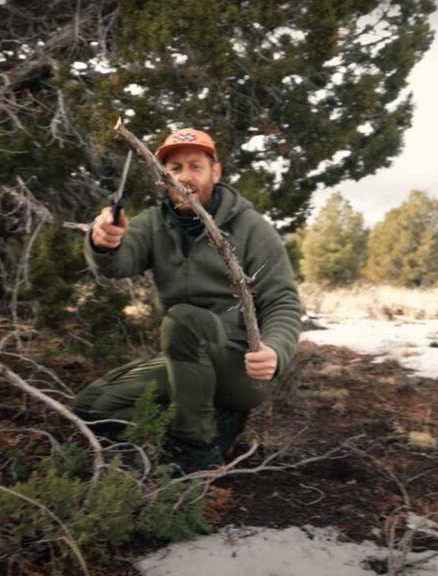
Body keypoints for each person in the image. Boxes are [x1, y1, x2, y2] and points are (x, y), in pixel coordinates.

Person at [75, 127, 302, 473]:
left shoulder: (252, 228)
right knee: (92, 405)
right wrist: (105, 242)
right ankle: (199, 426)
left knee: (183, 318)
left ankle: (197, 448)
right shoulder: (153, 223)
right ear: (163, 176)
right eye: (175, 169)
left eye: (195, 166)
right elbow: (119, 262)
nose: (185, 177)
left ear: (216, 171)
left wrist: (275, 350)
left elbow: (282, 300)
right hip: (188, 360)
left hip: (240, 368)